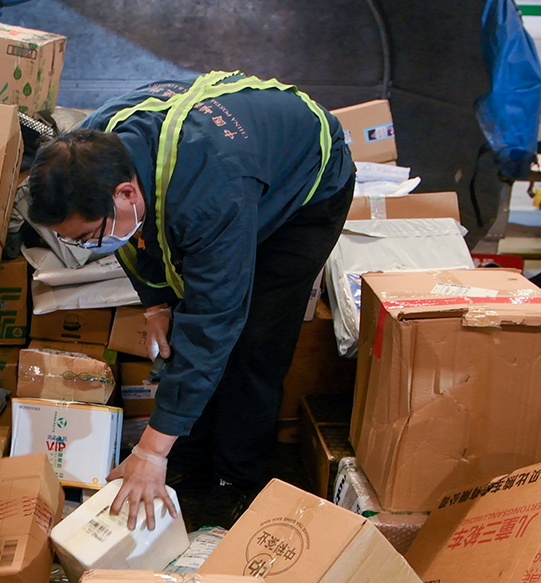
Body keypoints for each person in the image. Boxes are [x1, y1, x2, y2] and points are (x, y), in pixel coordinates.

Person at [28, 71, 356, 532]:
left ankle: (234, 480)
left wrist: (149, 450)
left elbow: (213, 322)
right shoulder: (93, 150)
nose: (86, 248)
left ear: (126, 192)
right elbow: (131, 240)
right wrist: (156, 304)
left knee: (254, 339)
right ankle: (187, 454)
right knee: (184, 319)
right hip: (234, 170)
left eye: (86, 237)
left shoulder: (208, 196)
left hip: (306, 188)